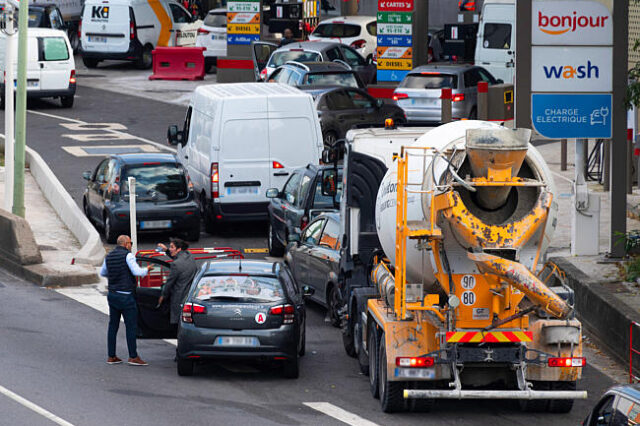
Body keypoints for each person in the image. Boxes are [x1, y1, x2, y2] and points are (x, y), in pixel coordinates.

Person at [100, 235, 152, 366]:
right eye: (131, 243)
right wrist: (147, 269)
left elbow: (103, 272)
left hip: (112, 294)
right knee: (130, 326)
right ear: (126, 244)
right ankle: (133, 356)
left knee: (113, 325)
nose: (131, 245)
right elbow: (137, 272)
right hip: (126, 296)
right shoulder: (128, 256)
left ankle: (111, 356)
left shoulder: (109, 256)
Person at [157, 238, 198, 325]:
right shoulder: (189, 256)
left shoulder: (175, 265)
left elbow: (169, 283)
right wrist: (166, 250)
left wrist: (163, 295)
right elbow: (178, 258)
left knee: (177, 322)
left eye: (172, 247)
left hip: (178, 297)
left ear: (179, 249)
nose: (170, 249)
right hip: (189, 294)